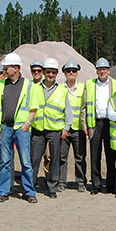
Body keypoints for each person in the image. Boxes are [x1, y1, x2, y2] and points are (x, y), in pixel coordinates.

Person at [0, 53, 39, 203]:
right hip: (6, 128)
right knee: (5, 162)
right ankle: (4, 191)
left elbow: (33, 108)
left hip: (21, 129)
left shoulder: (28, 85)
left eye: (7, 68)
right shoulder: (1, 85)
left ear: (16, 68)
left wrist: (27, 124)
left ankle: (29, 192)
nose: (4, 71)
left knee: (25, 162)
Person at [31, 58, 69, 199]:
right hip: (38, 129)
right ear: (44, 72)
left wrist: (66, 128)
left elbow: (68, 111)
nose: (50, 74)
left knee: (54, 159)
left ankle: (52, 186)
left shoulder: (62, 90)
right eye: (48, 72)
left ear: (56, 73)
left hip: (55, 130)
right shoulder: (34, 88)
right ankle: (31, 185)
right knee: (34, 159)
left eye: (53, 72)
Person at [85, 57, 116, 195]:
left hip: (110, 124)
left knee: (111, 155)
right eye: (99, 69)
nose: (102, 71)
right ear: (96, 71)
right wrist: (84, 125)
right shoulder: (90, 84)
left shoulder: (115, 84)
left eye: (104, 69)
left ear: (109, 70)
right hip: (95, 123)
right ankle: (96, 185)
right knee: (94, 155)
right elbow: (83, 107)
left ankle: (111, 184)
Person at [59, 59, 88, 192]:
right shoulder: (59, 88)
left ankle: (80, 181)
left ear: (77, 73)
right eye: (68, 71)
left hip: (78, 129)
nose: (71, 73)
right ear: (64, 72)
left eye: (74, 71)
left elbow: (85, 108)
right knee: (62, 157)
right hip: (63, 129)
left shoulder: (83, 87)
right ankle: (61, 182)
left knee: (80, 157)